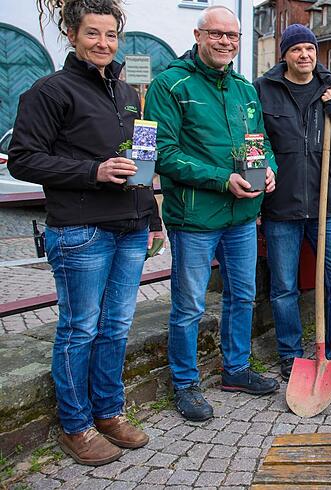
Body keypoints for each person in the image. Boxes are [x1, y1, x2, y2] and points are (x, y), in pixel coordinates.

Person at [8, 0, 162, 466]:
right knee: (80, 330)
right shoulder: (49, 90)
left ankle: (108, 412)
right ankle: (76, 427)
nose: (103, 43)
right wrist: (93, 171)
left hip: (131, 229)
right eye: (93, 34)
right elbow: (23, 159)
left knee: (115, 328)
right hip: (82, 231)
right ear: (73, 35)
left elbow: (145, 159)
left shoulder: (129, 91)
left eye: (111, 35)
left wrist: (152, 217)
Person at [144, 5, 279, 422]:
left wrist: (269, 168)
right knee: (189, 305)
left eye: (232, 36)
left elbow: (258, 141)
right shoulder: (170, 85)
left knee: (242, 295)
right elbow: (162, 154)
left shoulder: (243, 88)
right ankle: (184, 384)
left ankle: (235, 369)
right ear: (198, 36)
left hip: (242, 214)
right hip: (195, 217)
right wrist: (222, 179)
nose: (225, 42)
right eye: (217, 34)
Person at [254, 24, 331, 382]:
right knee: (284, 287)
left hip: (325, 206)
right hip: (281, 207)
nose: (305, 55)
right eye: (297, 49)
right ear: (284, 54)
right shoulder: (265, 91)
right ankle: (290, 354)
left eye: (310, 49)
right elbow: (256, 141)